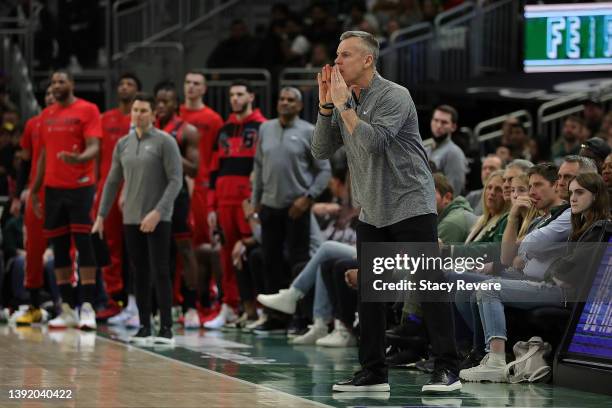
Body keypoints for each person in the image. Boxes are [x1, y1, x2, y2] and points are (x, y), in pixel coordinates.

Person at [312, 30, 461, 393]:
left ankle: (448, 369)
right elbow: (320, 149)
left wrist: (343, 106)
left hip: (410, 202)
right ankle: (373, 372)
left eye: (345, 55)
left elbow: (374, 142)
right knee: (371, 291)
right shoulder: (342, 97)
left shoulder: (395, 95)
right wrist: (326, 107)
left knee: (428, 283)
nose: (336, 62)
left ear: (367, 60)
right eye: (336, 54)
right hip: (372, 207)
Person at [460, 172, 609, 383]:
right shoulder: (581, 225)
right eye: (571, 192)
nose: (573, 198)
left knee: (488, 288)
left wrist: (553, 267)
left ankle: (495, 361)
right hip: (555, 287)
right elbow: (560, 262)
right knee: (483, 287)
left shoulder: (598, 228)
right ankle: (488, 356)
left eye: (580, 192)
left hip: (563, 294)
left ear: (595, 196)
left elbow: (571, 270)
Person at [93, 92, 183, 345]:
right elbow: (112, 181)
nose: (138, 115)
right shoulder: (123, 144)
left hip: (158, 217)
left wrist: (158, 211)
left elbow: (176, 180)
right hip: (131, 218)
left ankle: (166, 328)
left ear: (154, 115)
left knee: (161, 271)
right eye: (135, 110)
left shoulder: (166, 142)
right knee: (139, 272)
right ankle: (144, 325)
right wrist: (101, 215)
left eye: (143, 110)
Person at [30, 70, 101, 330]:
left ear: (72, 84)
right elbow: (43, 157)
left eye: (61, 81)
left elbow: (94, 146)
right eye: (53, 82)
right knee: (59, 248)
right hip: (53, 190)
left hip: (81, 187)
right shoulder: (46, 116)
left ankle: (88, 306)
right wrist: (36, 191)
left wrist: (80, 159)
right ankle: (68, 308)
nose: (57, 85)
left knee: (85, 246)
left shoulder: (88, 109)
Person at [252, 87, 331, 301]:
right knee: (270, 261)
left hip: (296, 208)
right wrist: (255, 201)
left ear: (299, 106)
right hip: (269, 205)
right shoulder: (265, 129)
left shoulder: (310, 131)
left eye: (290, 100)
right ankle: (273, 315)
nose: (285, 103)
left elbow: (324, 170)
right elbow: (259, 167)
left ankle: (300, 316)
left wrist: (308, 198)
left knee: (298, 261)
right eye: (281, 99)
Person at [206, 80, 267, 329]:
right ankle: (231, 306)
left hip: (248, 202)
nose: (235, 99)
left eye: (240, 94)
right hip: (224, 202)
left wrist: (258, 201)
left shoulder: (264, 127)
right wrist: (211, 206)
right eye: (232, 95)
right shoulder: (224, 129)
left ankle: (261, 308)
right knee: (227, 255)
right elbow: (213, 170)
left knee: (252, 253)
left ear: (251, 96)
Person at [154, 81, 202, 329]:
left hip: (177, 195)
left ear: (176, 104)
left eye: (167, 101)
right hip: (152, 196)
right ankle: (163, 306)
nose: (162, 106)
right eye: (158, 101)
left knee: (184, 249)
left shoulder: (187, 130)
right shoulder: (148, 128)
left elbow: (194, 169)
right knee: (157, 253)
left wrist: (171, 149)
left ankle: (191, 306)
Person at [94, 72, 141, 321]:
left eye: (129, 83)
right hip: (108, 187)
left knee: (134, 245)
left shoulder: (141, 119)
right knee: (109, 244)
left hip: (134, 187)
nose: (124, 87)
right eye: (121, 83)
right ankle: (114, 299)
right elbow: (98, 156)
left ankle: (136, 300)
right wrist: (95, 187)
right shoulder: (104, 118)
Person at [11, 85, 55, 325]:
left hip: (66, 191)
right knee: (33, 248)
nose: (51, 96)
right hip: (37, 194)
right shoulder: (33, 124)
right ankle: (35, 304)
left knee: (67, 248)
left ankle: (71, 304)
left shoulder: (75, 119)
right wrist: (19, 195)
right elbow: (25, 164)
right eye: (47, 93)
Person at [179, 70, 224, 247]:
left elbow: (217, 154)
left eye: (196, 83)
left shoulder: (213, 119)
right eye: (188, 82)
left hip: (202, 184)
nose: (191, 86)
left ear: (204, 89)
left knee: (202, 236)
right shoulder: (176, 113)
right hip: (177, 182)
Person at [427, 105, 468, 195]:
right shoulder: (426, 150)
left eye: (444, 122)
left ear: (453, 127)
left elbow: (453, 193)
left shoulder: (454, 153)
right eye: (436, 120)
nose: (438, 125)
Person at [434, 173, 477, 243]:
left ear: (447, 197)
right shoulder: (460, 213)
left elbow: (431, 253)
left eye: (430, 194)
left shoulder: (450, 223)